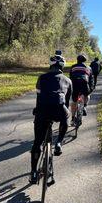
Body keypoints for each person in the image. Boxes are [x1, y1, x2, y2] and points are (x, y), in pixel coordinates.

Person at [30, 54, 72, 184]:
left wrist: (37, 110)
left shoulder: (41, 78)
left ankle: (33, 172)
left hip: (43, 112)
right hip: (59, 111)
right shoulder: (68, 81)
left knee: (37, 143)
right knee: (67, 114)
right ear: (62, 66)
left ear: (50, 65)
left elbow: (39, 96)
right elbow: (67, 102)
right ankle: (59, 142)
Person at [70, 54, 94, 122]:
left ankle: (72, 118)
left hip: (75, 84)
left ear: (77, 60)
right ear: (85, 60)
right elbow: (91, 80)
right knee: (87, 95)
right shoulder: (88, 68)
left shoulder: (73, 67)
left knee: (74, 101)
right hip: (84, 84)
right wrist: (91, 89)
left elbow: (71, 77)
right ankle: (84, 106)